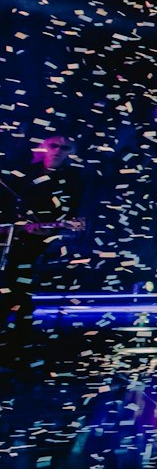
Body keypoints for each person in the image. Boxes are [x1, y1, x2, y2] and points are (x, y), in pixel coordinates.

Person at [2, 134, 86, 333]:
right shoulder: (25, 173)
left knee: (20, 275)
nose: (57, 151)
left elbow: (72, 212)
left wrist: (51, 227)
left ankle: (19, 324)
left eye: (64, 148)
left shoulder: (72, 179)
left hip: (44, 238)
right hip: (13, 233)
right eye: (53, 146)